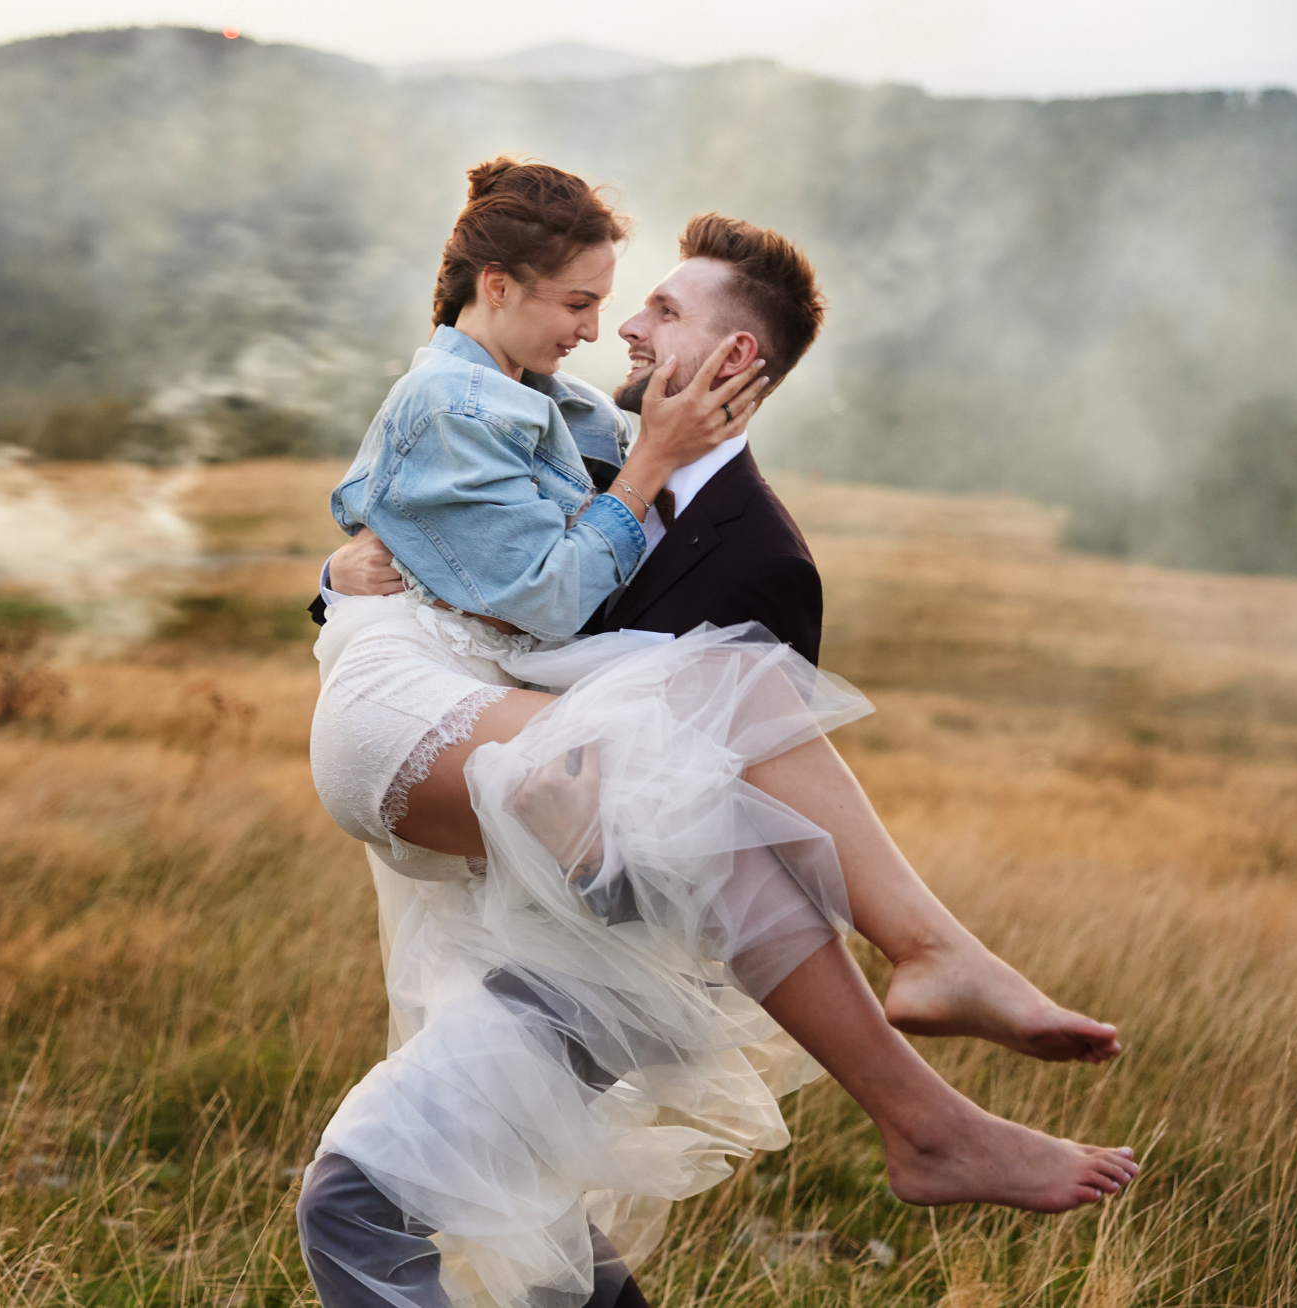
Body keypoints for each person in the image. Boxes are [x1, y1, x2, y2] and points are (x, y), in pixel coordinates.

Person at [298, 158, 1135, 1308]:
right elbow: (452, 544)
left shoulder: (756, 557)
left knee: (509, 1229)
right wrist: (340, 583)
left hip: (592, 947)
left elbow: (740, 824)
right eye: (599, 302)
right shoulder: (575, 429)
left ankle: (935, 1008)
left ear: (734, 359)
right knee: (392, 1202)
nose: (620, 329)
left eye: (653, 309)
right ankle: (932, 1031)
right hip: (471, 814)